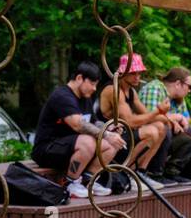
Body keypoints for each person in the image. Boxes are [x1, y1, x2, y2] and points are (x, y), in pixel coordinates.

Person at [32, 62, 123, 199]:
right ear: (80, 78)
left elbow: (92, 122)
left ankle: (89, 181)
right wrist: (107, 134)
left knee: (112, 145)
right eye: (92, 83)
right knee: (89, 141)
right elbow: (78, 125)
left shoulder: (85, 98)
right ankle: (70, 183)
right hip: (47, 149)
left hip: (71, 148)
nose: (94, 88)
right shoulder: (62, 96)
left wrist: (108, 127)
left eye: (96, 84)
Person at [95, 52, 171, 188]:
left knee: (160, 127)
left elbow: (148, 115)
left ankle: (140, 172)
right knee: (151, 132)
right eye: (133, 73)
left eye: (139, 73)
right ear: (123, 73)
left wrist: (169, 119)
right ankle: (128, 172)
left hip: (124, 135)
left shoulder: (131, 91)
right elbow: (129, 122)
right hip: (109, 138)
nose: (138, 77)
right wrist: (158, 111)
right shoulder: (114, 90)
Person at [138, 66, 191, 184]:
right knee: (163, 128)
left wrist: (179, 120)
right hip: (144, 135)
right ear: (177, 83)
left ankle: (172, 172)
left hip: (164, 136)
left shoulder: (178, 99)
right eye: (189, 86)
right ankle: (153, 172)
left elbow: (186, 121)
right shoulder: (154, 89)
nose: (189, 91)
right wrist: (173, 119)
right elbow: (149, 118)